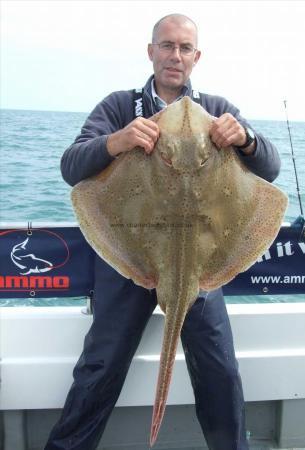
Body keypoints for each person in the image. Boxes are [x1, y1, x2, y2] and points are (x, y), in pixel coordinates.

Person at [45, 13, 280, 450]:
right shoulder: (119, 105)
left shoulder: (218, 108)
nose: (175, 56)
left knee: (220, 371)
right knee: (102, 363)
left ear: (196, 57)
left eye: (184, 48)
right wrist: (116, 142)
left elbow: (270, 169)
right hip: (132, 257)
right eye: (167, 46)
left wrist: (244, 137)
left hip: (198, 264)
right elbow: (71, 166)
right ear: (151, 51)